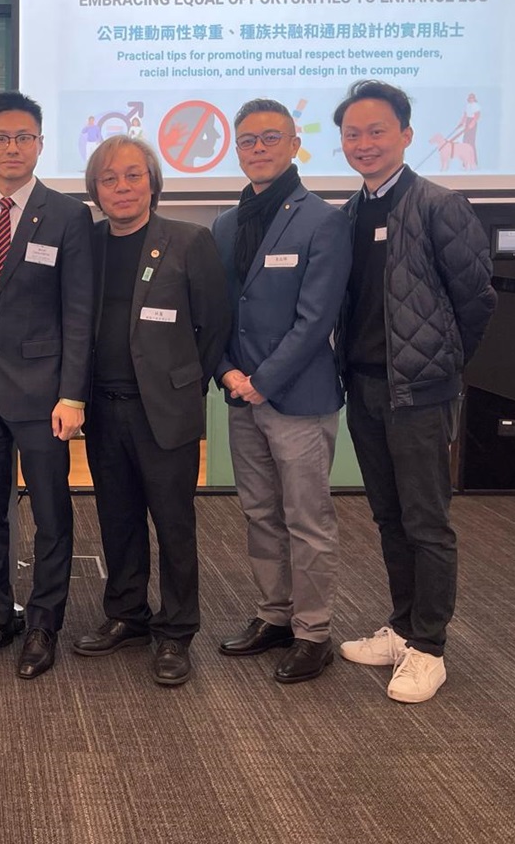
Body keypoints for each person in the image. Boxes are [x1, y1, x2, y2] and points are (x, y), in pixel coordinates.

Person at [334, 79, 496, 703]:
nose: (364, 143)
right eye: (352, 134)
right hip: (364, 387)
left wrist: (442, 366)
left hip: (420, 393)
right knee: (388, 515)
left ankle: (429, 646)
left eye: (377, 131)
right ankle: (401, 628)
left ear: (405, 134)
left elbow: (476, 300)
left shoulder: (438, 205)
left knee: (427, 521)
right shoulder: (348, 214)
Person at [71, 136, 230, 686]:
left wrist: (184, 385)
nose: (122, 187)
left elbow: (214, 325)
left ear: (153, 183)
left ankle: (177, 630)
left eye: (133, 175)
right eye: (109, 178)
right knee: (117, 520)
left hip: (164, 410)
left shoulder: (188, 241)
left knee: (174, 524)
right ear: (95, 190)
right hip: (103, 407)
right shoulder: (88, 244)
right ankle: (127, 614)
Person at [210, 99, 352, 684]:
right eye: (247, 140)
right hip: (240, 395)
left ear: (295, 145)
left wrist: (262, 382)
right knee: (260, 513)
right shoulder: (224, 224)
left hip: (297, 398)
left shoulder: (323, 220)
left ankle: (313, 632)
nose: (258, 148)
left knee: (306, 519)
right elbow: (217, 312)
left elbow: (317, 320)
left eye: (271, 138)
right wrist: (226, 373)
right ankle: (274, 614)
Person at [0, 91, 93, 680]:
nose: (12, 147)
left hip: (44, 394)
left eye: (23, 137)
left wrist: (72, 394)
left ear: (39, 143)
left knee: (51, 514)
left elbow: (79, 313)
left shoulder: (68, 215)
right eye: (0, 138)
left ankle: (43, 623)